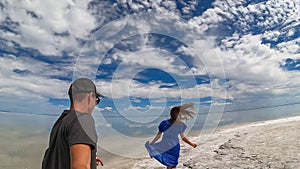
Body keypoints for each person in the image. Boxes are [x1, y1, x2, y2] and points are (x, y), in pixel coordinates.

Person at [42, 78, 104, 169]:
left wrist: (89, 158)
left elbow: (60, 154)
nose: (95, 104)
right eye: (97, 100)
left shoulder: (61, 122)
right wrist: (83, 164)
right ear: (90, 97)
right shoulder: (83, 120)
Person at [145, 103, 197, 169]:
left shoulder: (164, 123)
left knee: (169, 164)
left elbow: (158, 135)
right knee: (173, 164)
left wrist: (152, 144)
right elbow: (183, 138)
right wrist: (192, 144)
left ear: (171, 114)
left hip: (165, 145)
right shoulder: (180, 125)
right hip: (174, 146)